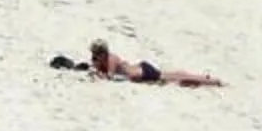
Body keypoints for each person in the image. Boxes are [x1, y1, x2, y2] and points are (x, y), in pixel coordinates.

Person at [85, 40, 222, 88]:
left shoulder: (111, 59)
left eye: (96, 54)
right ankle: (205, 78)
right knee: (174, 75)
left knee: (178, 79)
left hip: (143, 73)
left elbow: (109, 77)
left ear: (103, 53)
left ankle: (211, 81)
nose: (94, 57)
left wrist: (97, 74)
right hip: (141, 70)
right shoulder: (104, 60)